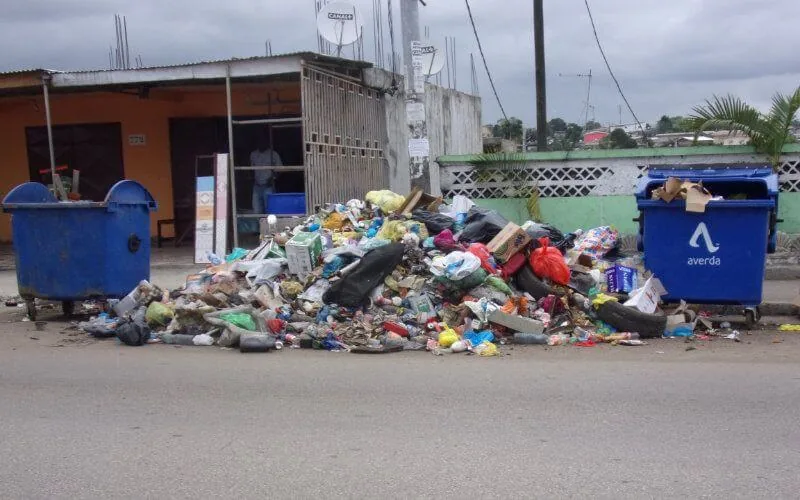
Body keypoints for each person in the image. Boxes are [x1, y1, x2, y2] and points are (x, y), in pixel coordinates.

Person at [250, 133, 283, 213]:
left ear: (267, 142)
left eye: (263, 141)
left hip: (268, 186)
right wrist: (252, 180)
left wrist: (273, 179)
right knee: (256, 210)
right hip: (257, 186)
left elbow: (280, 169)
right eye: (259, 141)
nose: (261, 143)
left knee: (269, 209)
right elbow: (251, 169)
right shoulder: (253, 154)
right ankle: (258, 222)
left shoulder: (273, 154)